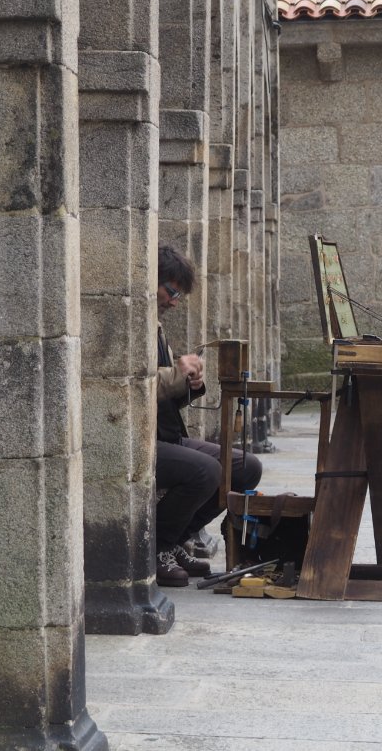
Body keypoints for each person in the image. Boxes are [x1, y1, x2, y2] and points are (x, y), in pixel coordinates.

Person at [154, 245, 263, 587]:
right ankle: (156, 547)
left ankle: (174, 539)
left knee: (244, 468)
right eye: (171, 291)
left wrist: (190, 382)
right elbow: (127, 386)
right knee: (207, 471)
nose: (174, 301)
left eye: (178, 295)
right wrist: (176, 373)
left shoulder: (155, 326)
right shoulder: (127, 319)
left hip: (166, 433)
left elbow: (166, 390)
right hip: (139, 439)